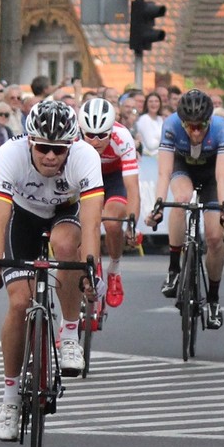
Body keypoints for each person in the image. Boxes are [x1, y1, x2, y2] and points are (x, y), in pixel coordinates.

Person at [0, 101, 104, 442]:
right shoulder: (10, 154)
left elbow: (92, 222)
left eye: (59, 149)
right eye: (43, 148)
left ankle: (68, 335)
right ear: (30, 142)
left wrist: (90, 268)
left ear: (71, 146)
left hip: (65, 212)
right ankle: (9, 400)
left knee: (67, 248)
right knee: (19, 303)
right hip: (21, 216)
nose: (51, 156)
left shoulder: (85, 156)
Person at [145, 89, 224, 329]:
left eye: (200, 126)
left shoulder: (222, 128)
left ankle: (214, 300)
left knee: (216, 238)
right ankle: (174, 269)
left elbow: (222, 175)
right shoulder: (171, 125)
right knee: (182, 199)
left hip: (211, 177)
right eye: (190, 126)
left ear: (209, 120)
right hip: (181, 168)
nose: (195, 131)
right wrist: (158, 205)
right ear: (182, 122)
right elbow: (164, 173)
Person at [78, 97, 140, 307]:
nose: (95, 140)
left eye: (102, 135)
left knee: (112, 223)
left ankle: (114, 268)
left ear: (111, 130)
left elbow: (132, 187)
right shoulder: (73, 138)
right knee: (79, 224)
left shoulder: (123, 137)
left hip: (113, 179)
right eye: (90, 135)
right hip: (83, 176)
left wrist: (132, 224)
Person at [135, 92, 165, 156]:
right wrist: (164, 139)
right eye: (150, 101)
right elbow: (151, 145)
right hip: (148, 158)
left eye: (156, 101)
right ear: (146, 104)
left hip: (159, 157)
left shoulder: (160, 119)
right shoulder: (144, 119)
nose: (154, 104)